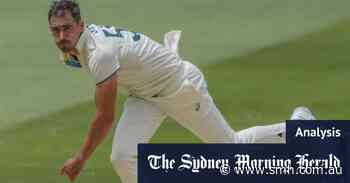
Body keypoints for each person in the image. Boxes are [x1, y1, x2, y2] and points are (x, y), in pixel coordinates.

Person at [47, 0, 316, 182]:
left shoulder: (100, 54)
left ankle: (300, 127)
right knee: (122, 157)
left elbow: (105, 116)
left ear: (81, 25)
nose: (61, 36)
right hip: (144, 95)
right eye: (55, 31)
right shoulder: (78, 47)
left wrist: (81, 157)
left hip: (179, 88)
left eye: (67, 28)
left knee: (231, 149)